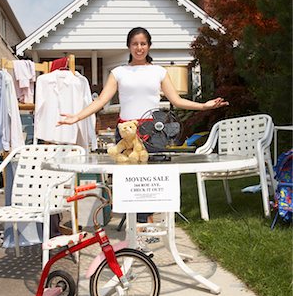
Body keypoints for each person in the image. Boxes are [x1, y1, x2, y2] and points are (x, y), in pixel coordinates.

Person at [58, 27, 229, 251]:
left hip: (153, 132)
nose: (139, 48)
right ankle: (135, 232)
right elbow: (101, 102)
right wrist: (77, 117)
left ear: (148, 46)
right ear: (129, 46)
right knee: (129, 183)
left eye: (143, 43)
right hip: (126, 132)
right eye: (135, 43)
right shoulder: (119, 72)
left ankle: (143, 227)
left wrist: (204, 105)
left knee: (152, 181)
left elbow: (176, 101)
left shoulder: (158, 72)